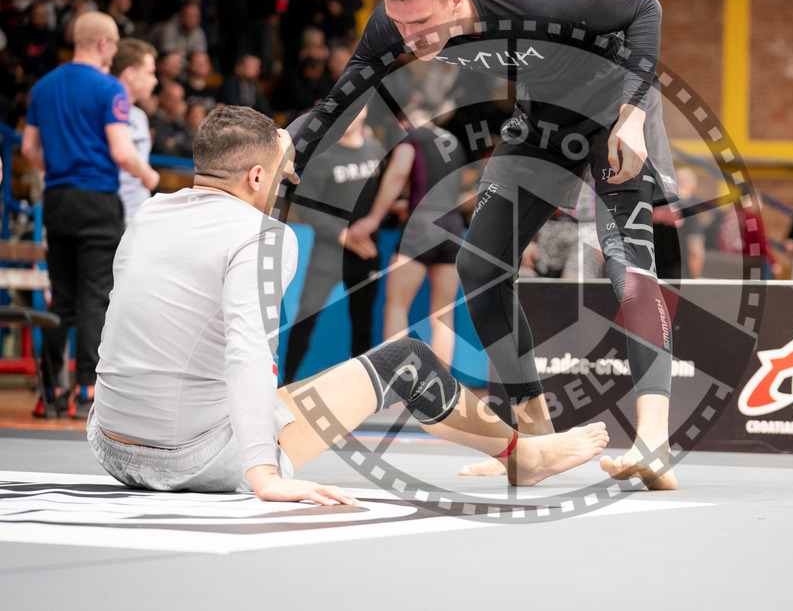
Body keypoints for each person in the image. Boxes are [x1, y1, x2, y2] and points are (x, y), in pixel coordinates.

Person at [288, 0, 680, 489]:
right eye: (401, 26)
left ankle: (654, 443)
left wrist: (636, 113)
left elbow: (644, 9)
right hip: (542, 120)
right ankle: (536, 442)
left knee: (627, 261)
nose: (412, 40)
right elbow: (339, 102)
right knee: (478, 266)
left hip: (614, 106)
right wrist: (287, 146)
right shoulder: (395, 20)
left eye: (422, 25)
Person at [87, 104, 609, 502]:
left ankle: (524, 450)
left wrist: (280, 144)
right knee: (408, 361)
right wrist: (264, 476)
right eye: (283, 174)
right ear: (255, 177)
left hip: (111, 445)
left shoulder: (150, 216)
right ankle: (526, 455)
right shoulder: (261, 236)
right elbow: (247, 350)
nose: (286, 182)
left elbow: (120, 328)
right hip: (192, 458)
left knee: (277, 388)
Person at [20, 11, 160, 419]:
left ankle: (50, 393)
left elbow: (29, 149)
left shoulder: (43, 86)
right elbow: (121, 151)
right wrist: (149, 175)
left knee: (60, 297)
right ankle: (86, 391)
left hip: (58, 198)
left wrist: (61, 170)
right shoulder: (109, 89)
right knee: (95, 296)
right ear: (104, 44)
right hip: (98, 198)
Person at [348, 110, 469, 366]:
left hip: (420, 226)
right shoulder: (453, 141)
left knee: (396, 307)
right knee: (443, 316)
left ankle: (396, 381)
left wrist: (374, 217)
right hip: (452, 225)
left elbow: (399, 173)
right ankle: (442, 388)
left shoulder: (411, 135)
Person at [283, 106, 385, 383]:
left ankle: (365, 391)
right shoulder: (323, 154)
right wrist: (343, 236)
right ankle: (286, 384)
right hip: (329, 250)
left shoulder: (375, 148)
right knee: (306, 316)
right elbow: (304, 206)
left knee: (363, 322)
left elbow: (384, 193)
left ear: (365, 111)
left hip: (366, 250)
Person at [111, 38, 159, 222]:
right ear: (130, 74)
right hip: (110, 214)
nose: (154, 81)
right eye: (150, 73)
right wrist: (148, 175)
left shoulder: (140, 116)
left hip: (138, 215)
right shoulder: (102, 111)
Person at [653, 165, 705, 279]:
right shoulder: (691, 210)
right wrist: (696, 277)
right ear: (693, 184)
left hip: (652, 275)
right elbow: (695, 250)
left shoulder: (655, 207)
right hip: (680, 277)